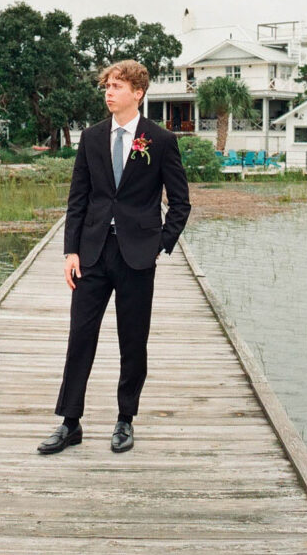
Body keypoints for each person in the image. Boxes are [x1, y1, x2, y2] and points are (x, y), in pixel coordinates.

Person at [37, 59, 191, 455]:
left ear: (138, 93)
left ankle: (125, 419)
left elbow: (180, 204)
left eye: (117, 86)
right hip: (92, 254)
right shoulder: (90, 138)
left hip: (138, 257)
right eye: (107, 85)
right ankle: (70, 423)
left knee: (132, 340)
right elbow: (78, 200)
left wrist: (160, 244)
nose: (108, 92)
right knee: (80, 337)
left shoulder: (160, 140)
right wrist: (70, 250)